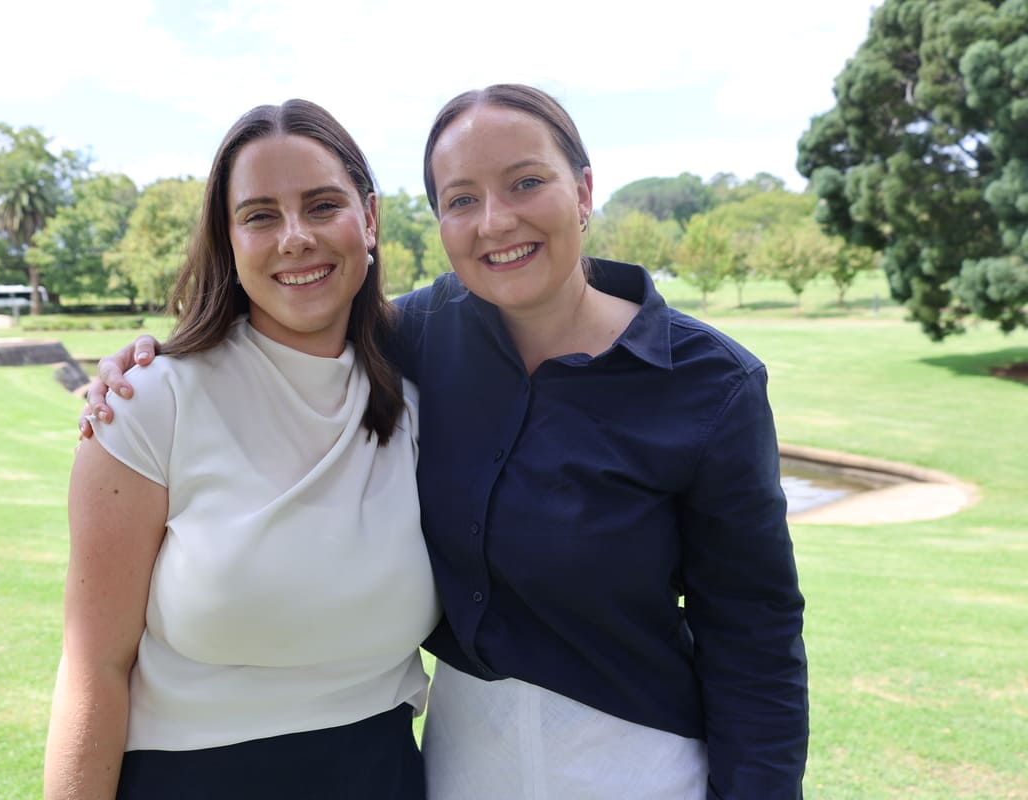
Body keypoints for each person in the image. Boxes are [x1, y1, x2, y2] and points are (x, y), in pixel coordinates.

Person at [83, 84, 809, 799]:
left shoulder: (711, 385)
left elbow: (755, 636)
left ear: (584, 191)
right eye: (461, 199)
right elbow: (301, 314)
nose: (496, 221)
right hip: (458, 762)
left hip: (639, 763)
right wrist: (151, 362)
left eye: (526, 182)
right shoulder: (421, 336)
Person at [45, 99, 439, 800]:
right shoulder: (149, 402)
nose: (295, 237)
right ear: (227, 239)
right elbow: (92, 669)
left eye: (323, 205)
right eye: (260, 215)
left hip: (380, 776)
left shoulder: (417, 394)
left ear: (370, 219)